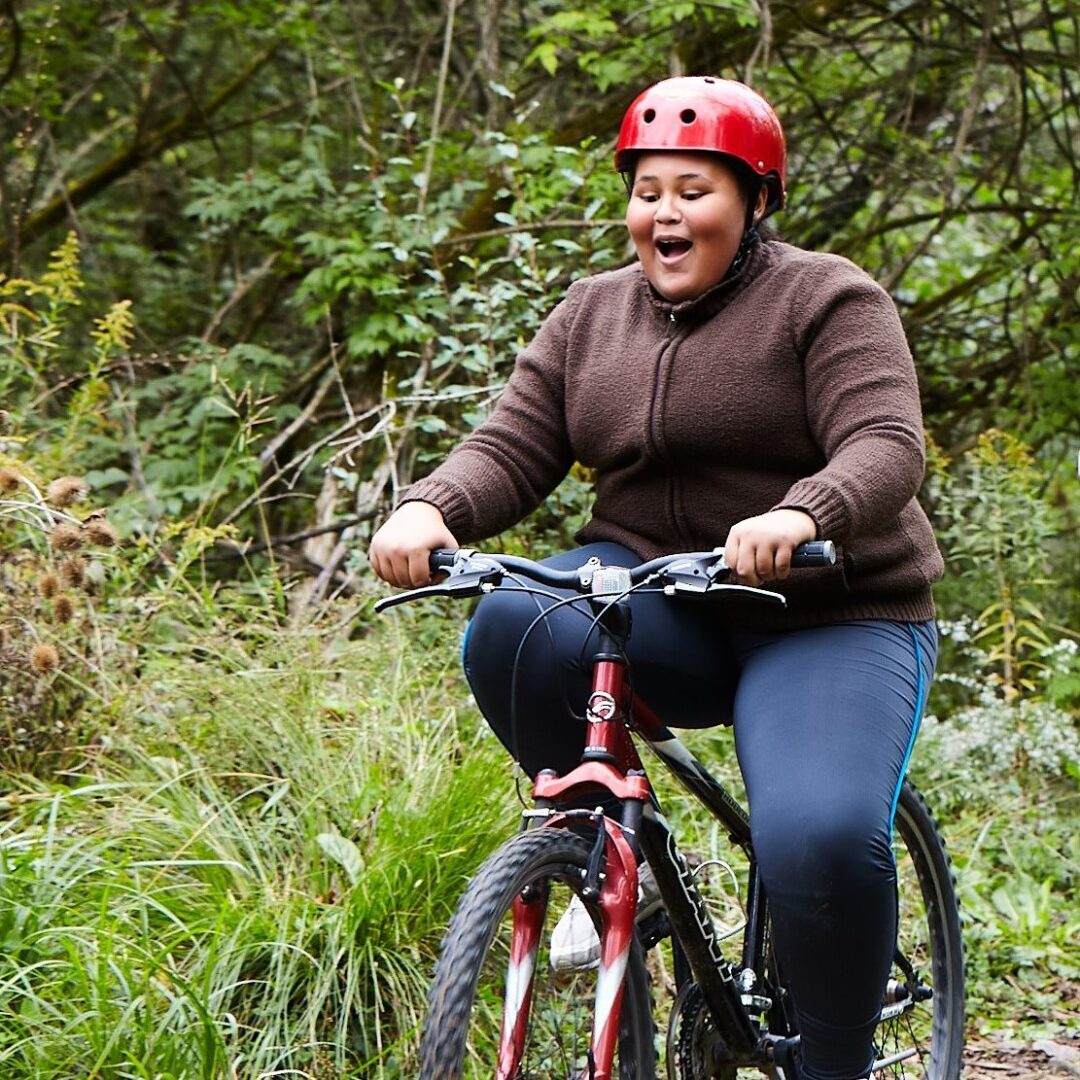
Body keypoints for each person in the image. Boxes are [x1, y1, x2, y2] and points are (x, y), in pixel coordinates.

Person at [369, 76, 943, 1080]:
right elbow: (512, 443)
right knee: (514, 618)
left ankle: (833, 1066)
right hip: (662, 594)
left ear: (755, 201)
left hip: (827, 612)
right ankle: (599, 855)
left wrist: (803, 513)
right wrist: (432, 507)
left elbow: (886, 443)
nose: (664, 213)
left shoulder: (828, 297)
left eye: (695, 190)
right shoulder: (592, 314)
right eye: (647, 192)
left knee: (811, 838)